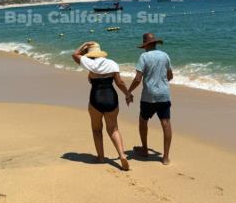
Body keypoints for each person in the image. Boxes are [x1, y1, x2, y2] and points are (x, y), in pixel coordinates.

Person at [72, 41, 130, 171]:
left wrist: (84, 44)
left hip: (96, 98)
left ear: (90, 53)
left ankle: (101, 157)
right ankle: (122, 155)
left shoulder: (89, 63)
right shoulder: (112, 63)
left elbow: (75, 54)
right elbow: (119, 82)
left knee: (97, 129)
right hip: (111, 97)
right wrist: (127, 94)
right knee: (113, 129)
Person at [127, 33, 173, 165]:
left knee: (143, 121)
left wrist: (129, 92)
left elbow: (137, 79)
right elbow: (170, 76)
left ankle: (145, 149)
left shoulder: (144, 56)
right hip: (164, 95)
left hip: (148, 96)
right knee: (166, 124)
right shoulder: (165, 55)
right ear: (155, 43)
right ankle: (165, 157)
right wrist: (162, 83)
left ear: (145, 45)